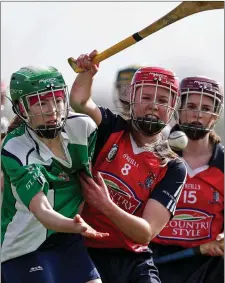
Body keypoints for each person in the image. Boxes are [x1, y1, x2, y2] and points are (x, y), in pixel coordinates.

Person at [69, 50, 187, 283]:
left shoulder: (172, 165)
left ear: (173, 107)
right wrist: (87, 73)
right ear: (131, 98)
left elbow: (145, 233)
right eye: (146, 97)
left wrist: (105, 205)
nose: (153, 106)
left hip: (132, 259)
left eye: (162, 100)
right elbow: (80, 101)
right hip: (84, 249)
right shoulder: (111, 129)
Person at [1, 65, 108, 283]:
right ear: (22, 108)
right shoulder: (15, 147)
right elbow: (42, 211)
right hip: (24, 246)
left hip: (67, 240)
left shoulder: (83, 128)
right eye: (41, 102)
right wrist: (77, 225)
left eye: (57, 99)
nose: (52, 109)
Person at [150, 75, 224, 283]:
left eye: (206, 108)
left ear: (215, 116)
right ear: (178, 109)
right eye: (191, 105)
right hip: (153, 263)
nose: (198, 114)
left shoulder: (223, 165)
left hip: (208, 268)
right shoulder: (155, 157)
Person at [113, 66, 171, 138]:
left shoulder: (164, 134)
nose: (126, 96)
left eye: (130, 90)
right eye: (121, 89)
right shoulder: (112, 124)